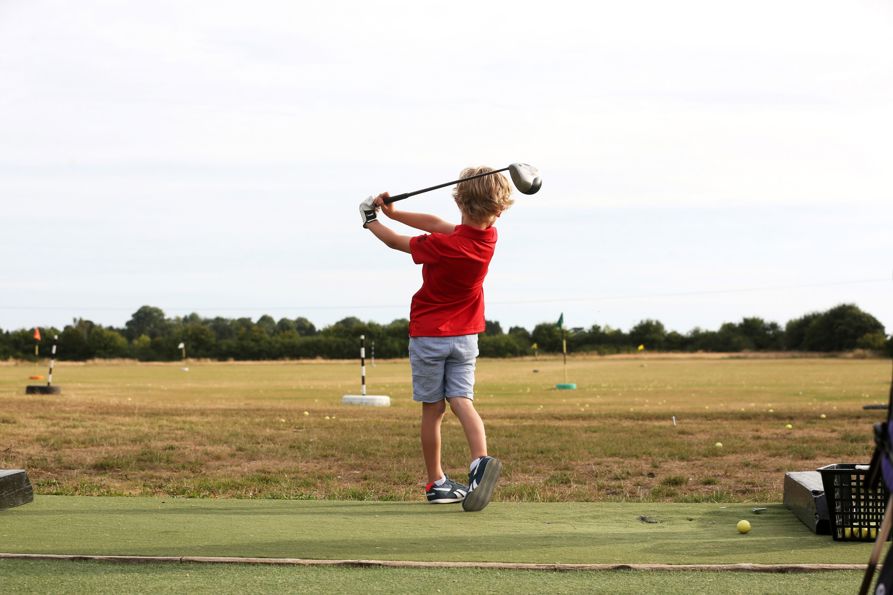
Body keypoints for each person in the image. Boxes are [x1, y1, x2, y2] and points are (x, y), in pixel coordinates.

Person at [358, 166, 513, 512]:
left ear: (458, 199)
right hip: (465, 337)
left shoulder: (443, 246)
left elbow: (396, 241)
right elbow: (435, 223)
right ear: (498, 210)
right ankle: (479, 461)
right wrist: (396, 212)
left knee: (433, 410)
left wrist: (371, 219)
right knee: (462, 401)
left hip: (429, 335)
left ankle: (437, 481)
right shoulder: (488, 238)